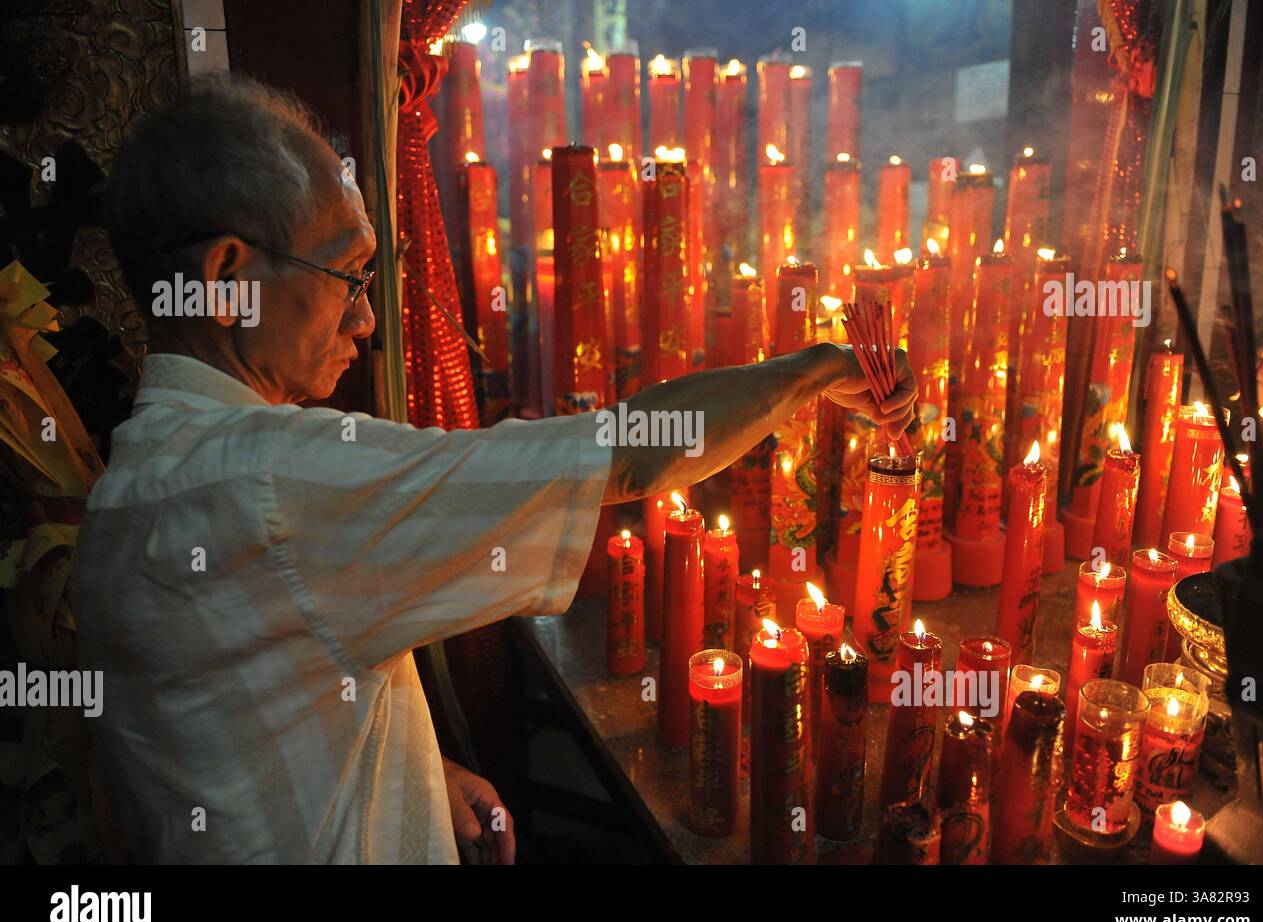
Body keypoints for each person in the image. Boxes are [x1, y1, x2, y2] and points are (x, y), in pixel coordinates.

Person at [70, 77, 916, 864]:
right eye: (346, 274)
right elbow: (629, 450)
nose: (365, 319)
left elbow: (246, 718)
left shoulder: (135, 482)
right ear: (228, 279)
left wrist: (412, 770)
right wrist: (811, 373)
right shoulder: (272, 486)